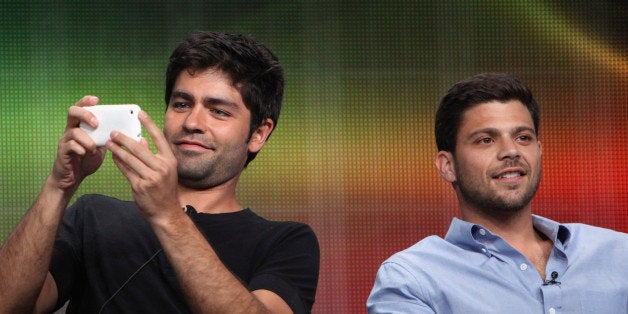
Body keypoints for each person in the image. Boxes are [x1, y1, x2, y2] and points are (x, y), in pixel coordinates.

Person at [0, 31, 319, 313]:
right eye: (181, 104)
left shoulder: (286, 242)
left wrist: (167, 215)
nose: (192, 123)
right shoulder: (92, 216)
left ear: (259, 134)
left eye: (218, 111)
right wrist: (59, 186)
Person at [367, 73, 628, 313]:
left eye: (523, 137)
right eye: (486, 140)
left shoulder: (619, 254)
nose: (511, 151)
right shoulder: (413, 279)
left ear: (539, 151)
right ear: (448, 166)